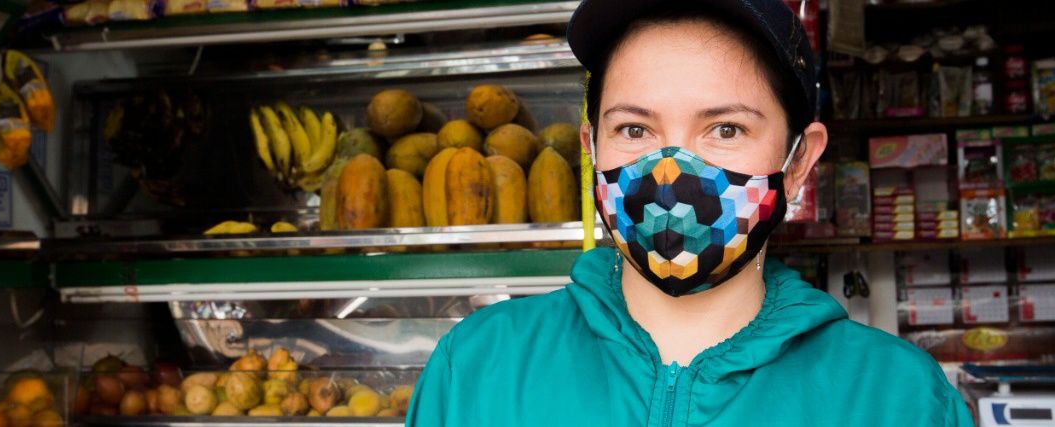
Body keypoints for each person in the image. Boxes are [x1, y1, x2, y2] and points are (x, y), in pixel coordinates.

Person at [406, 0, 973, 425]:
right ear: (591, 148)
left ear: (799, 161)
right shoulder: (477, 366)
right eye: (635, 129)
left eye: (725, 129)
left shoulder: (898, 398)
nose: (670, 173)